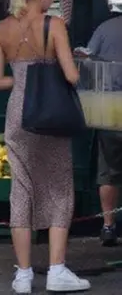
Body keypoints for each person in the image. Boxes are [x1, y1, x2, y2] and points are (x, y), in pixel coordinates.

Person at [0, 0, 89, 293]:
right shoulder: (55, 24)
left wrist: (22, 81)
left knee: (22, 189)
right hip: (51, 114)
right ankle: (57, 271)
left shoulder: (2, 28)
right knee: (59, 187)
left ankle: (24, 275)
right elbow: (72, 76)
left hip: (18, 113)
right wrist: (75, 61)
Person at [80, 13, 122, 246]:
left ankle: (108, 226)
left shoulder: (105, 28)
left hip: (111, 110)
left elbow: (87, 61)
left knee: (109, 171)